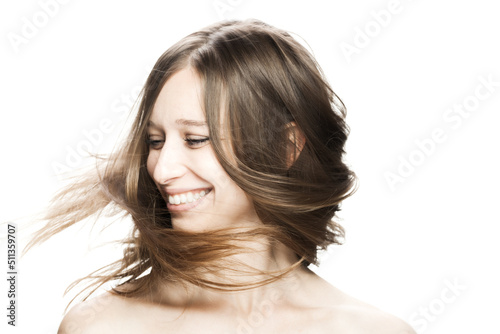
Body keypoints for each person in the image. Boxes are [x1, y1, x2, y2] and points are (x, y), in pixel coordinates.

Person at [29, 19, 415, 333]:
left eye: (195, 139)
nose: (162, 170)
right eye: (155, 140)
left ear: (286, 149)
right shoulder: (103, 327)